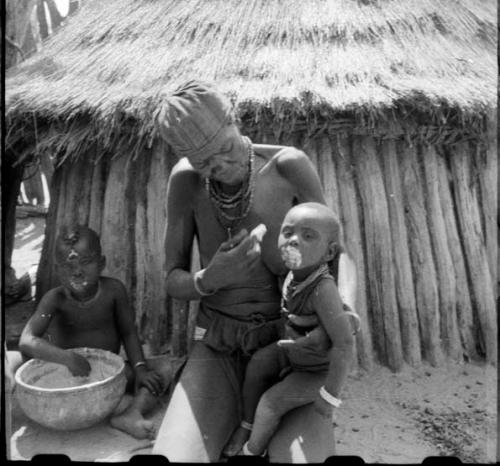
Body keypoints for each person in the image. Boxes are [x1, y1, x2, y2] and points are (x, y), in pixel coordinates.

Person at [152, 80, 357, 462]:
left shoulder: (288, 167)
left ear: (235, 119)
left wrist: (343, 310)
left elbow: (338, 252)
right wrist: (209, 278)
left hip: (290, 348)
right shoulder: (185, 181)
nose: (220, 166)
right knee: (175, 458)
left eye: (226, 149)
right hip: (219, 344)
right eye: (204, 163)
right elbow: (172, 278)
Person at [223, 202, 356, 456]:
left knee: (270, 403)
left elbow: (345, 342)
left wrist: (330, 395)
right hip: (292, 354)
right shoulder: (295, 274)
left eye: (308, 236)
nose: (293, 241)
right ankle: (247, 423)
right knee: (258, 364)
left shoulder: (322, 289)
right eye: (288, 233)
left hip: (315, 371)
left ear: (328, 253)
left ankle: (252, 451)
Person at [17, 224, 167, 439]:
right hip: (69, 378)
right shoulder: (54, 299)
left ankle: (131, 414)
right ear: (58, 270)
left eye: (86, 262)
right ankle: (119, 409)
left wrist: (141, 369)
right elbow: (26, 340)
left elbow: (128, 333)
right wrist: (68, 358)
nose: (77, 271)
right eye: (68, 266)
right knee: (13, 364)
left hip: (109, 374)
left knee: (162, 369)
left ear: (102, 263)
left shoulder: (114, 291)